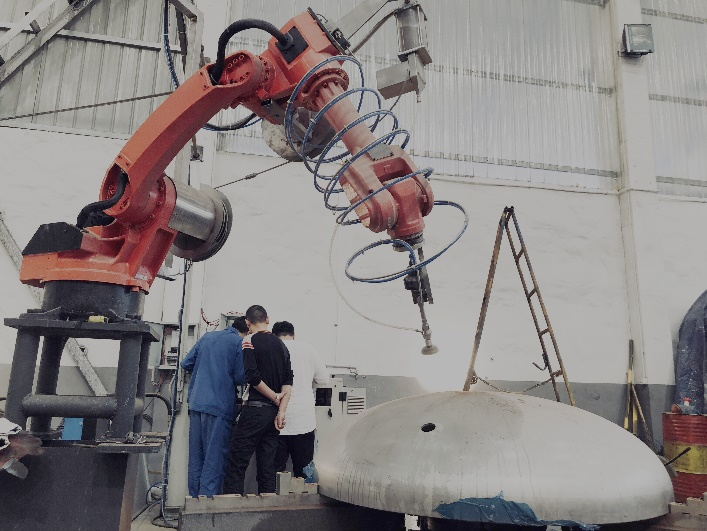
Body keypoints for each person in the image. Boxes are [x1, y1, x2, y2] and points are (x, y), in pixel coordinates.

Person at [222, 305, 293, 495]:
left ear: (247, 323)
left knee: (237, 463)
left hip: (254, 411)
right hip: (273, 416)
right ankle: (266, 511)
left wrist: (273, 397)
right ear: (267, 319)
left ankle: (231, 512)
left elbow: (253, 377)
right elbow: (288, 382)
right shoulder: (281, 345)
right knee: (267, 467)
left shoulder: (248, 340)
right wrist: (281, 410)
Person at [180, 316, 248, 497]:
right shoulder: (239, 343)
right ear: (247, 330)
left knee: (196, 459)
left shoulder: (207, 337)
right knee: (214, 460)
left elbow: (186, 363)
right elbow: (241, 377)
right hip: (219, 407)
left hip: (196, 404)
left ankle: (193, 506)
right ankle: (207, 510)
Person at [272, 321, 330, 478]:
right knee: (304, 470)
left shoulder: (272, 348)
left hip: (276, 420)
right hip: (303, 421)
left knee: (275, 472)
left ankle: (274, 500)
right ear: (293, 335)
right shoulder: (309, 349)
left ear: (273, 335)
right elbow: (324, 380)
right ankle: (304, 499)